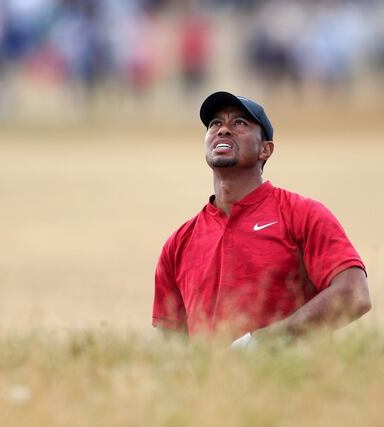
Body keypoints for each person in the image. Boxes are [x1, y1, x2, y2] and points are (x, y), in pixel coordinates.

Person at [152, 91, 371, 346]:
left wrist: (262, 343)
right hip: (211, 384)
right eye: (215, 124)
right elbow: (171, 343)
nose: (223, 130)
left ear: (265, 150)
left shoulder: (301, 214)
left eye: (239, 123)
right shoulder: (179, 243)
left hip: (288, 380)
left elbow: (354, 293)